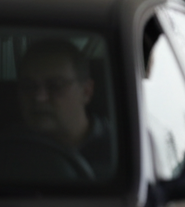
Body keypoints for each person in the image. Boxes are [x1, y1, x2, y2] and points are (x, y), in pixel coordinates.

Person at [16, 39, 114, 178]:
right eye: (28, 86)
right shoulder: (5, 151)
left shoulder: (121, 151)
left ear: (86, 91)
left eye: (55, 86)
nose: (39, 97)